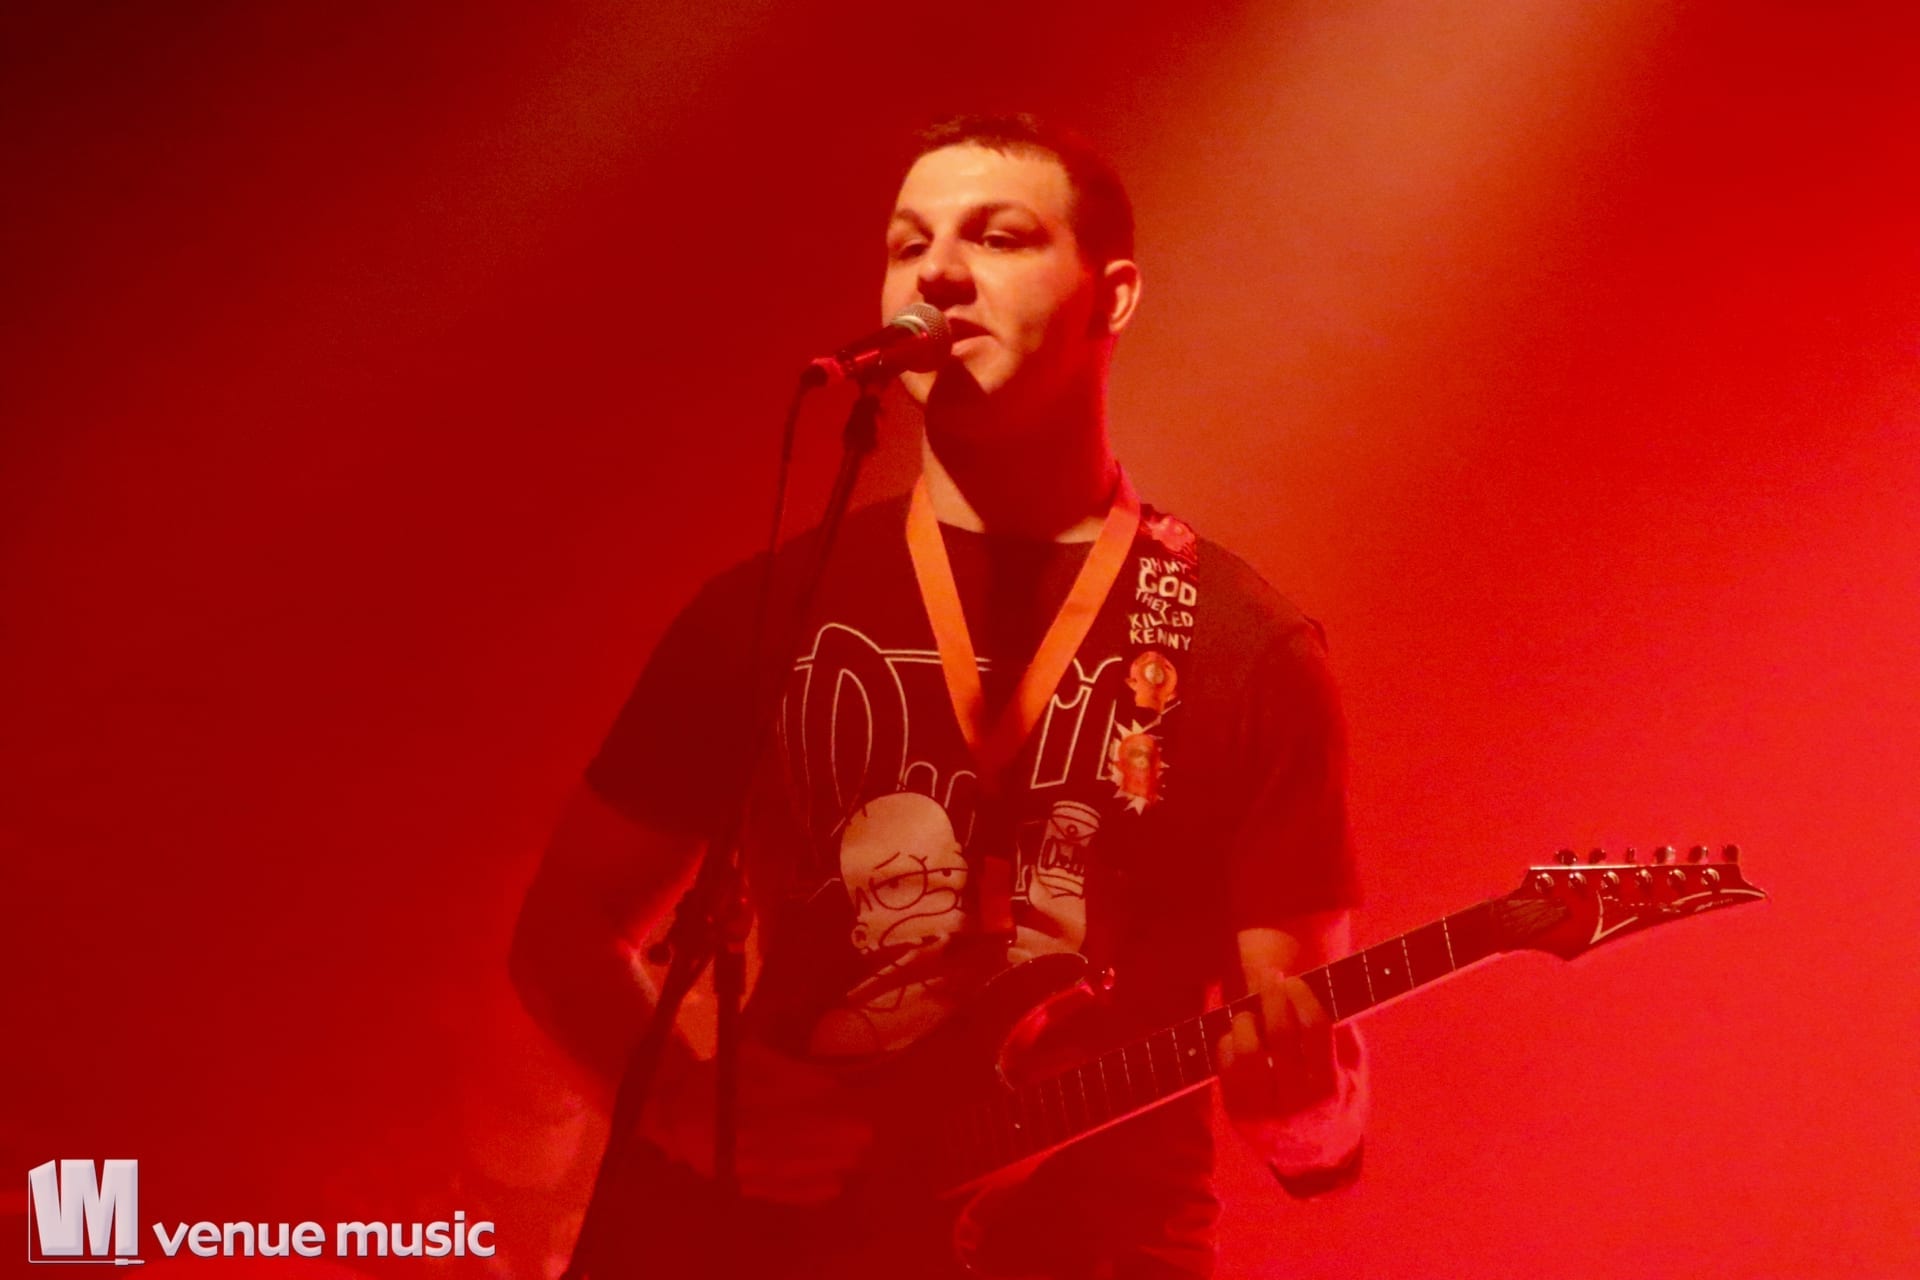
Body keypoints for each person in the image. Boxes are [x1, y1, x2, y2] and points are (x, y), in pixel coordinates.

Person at [510, 113, 1367, 1279]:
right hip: (776, 1245)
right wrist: (674, 1098)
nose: (940, 273)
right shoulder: (768, 604)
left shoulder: (1245, 648)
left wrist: (1308, 1118)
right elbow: (565, 925)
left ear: (1112, 297)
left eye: (998, 237)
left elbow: (1311, 1071)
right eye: (909, 244)